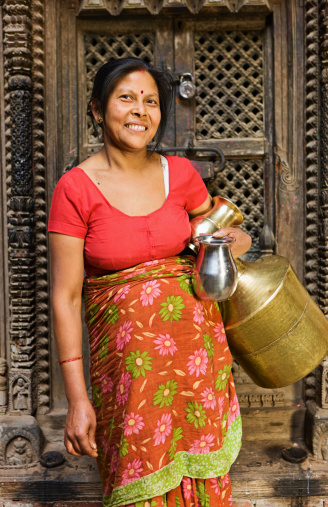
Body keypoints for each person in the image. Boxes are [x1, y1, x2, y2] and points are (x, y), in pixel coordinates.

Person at [48, 57, 252, 507]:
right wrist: (77, 402)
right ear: (98, 110)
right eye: (126, 98)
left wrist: (226, 243)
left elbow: (230, 233)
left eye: (152, 102)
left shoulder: (179, 176)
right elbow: (64, 298)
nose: (141, 111)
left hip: (197, 372)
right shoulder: (75, 189)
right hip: (130, 382)